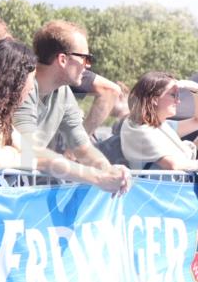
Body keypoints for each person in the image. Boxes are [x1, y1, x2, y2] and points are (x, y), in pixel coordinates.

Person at [13, 20, 131, 195]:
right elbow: (29, 151)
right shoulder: (22, 88)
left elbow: (83, 148)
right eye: (85, 58)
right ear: (62, 59)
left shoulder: (63, 92)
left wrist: (108, 170)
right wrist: (97, 178)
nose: (87, 65)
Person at [119, 72, 198, 176]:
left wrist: (197, 91)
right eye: (173, 95)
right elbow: (173, 164)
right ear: (154, 99)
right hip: (156, 194)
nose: (178, 101)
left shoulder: (160, 126)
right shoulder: (140, 130)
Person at [0, 39, 37, 170]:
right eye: (31, 79)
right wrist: (11, 151)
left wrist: (5, 151)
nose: (32, 87)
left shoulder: (0, 117)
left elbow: (30, 154)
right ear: (15, 79)